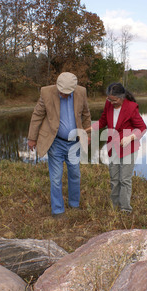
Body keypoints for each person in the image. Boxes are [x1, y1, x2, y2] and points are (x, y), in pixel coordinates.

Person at [28, 72, 91, 218]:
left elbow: (86, 114)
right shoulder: (46, 92)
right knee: (56, 178)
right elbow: (37, 115)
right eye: (61, 92)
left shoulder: (81, 92)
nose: (63, 95)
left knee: (75, 174)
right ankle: (58, 210)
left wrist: (87, 134)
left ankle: (74, 204)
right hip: (55, 141)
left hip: (74, 142)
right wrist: (32, 138)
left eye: (67, 93)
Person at [87, 83, 147, 213]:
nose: (111, 102)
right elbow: (103, 121)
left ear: (121, 97)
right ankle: (114, 207)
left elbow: (142, 128)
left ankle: (125, 209)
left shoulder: (131, 107)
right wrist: (91, 128)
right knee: (114, 179)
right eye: (109, 99)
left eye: (114, 100)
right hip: (113, 146)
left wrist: (130, 138)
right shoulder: (108, 104)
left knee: (124, 179)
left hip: (128, 147)